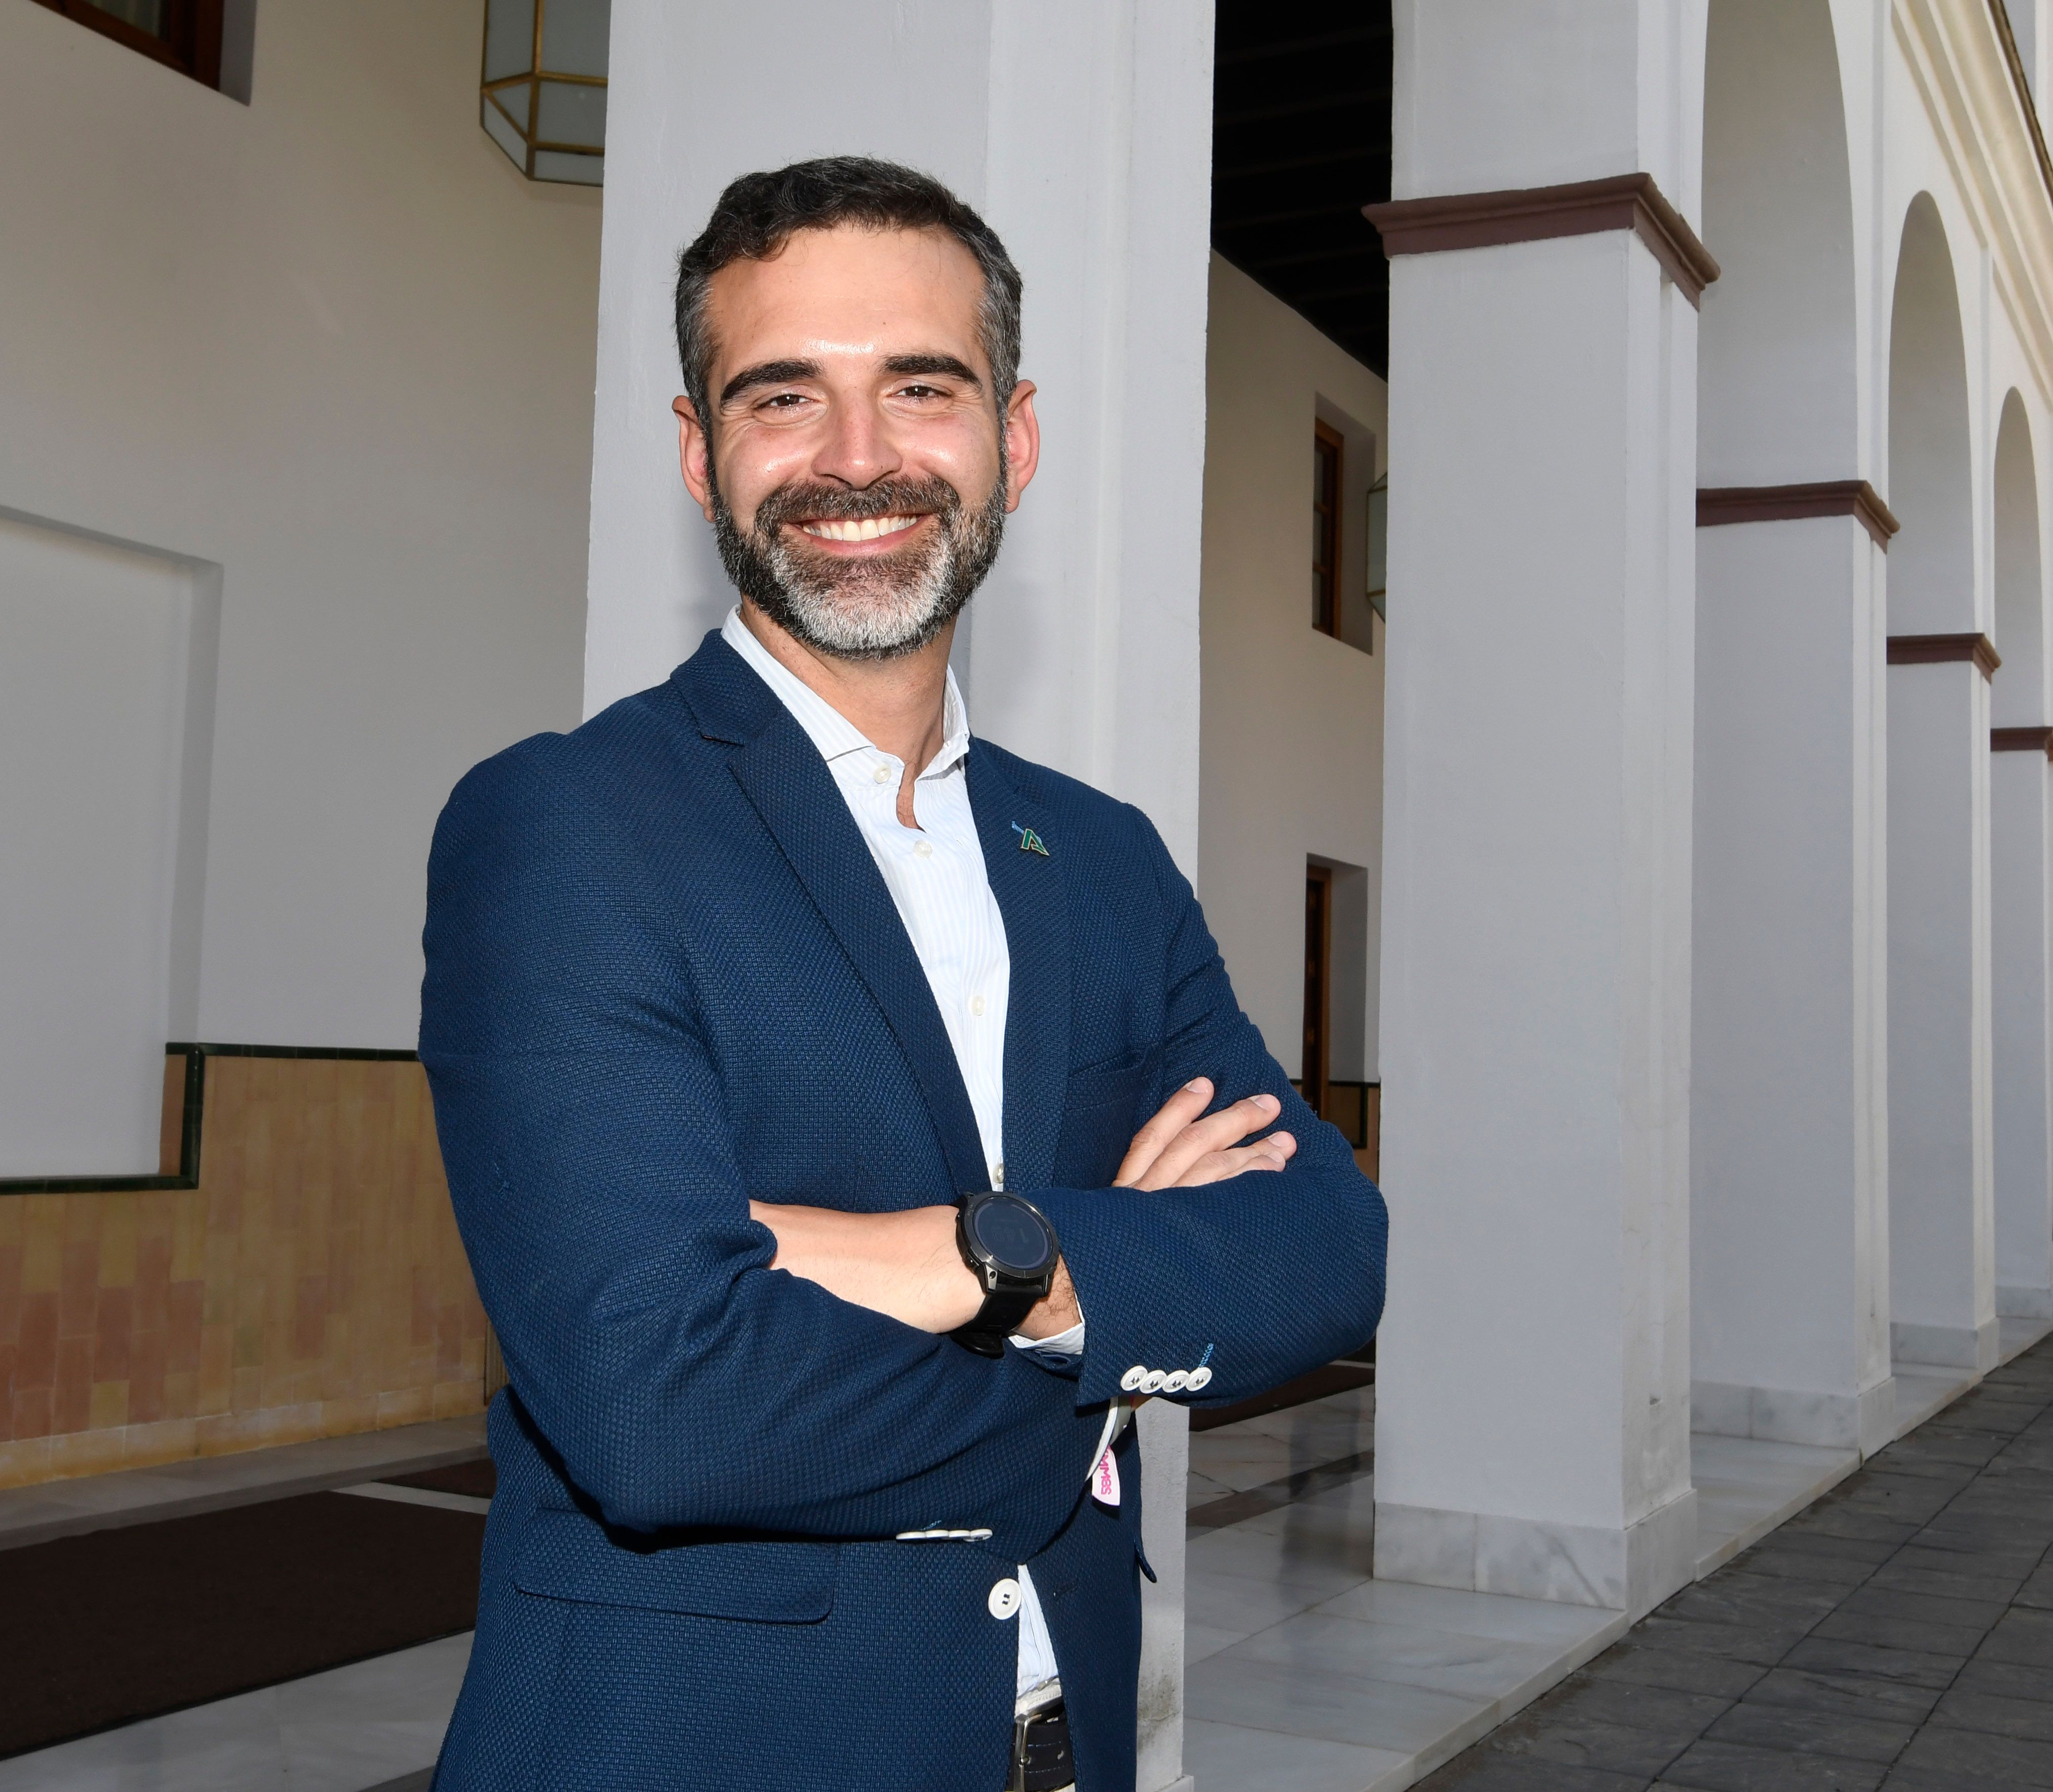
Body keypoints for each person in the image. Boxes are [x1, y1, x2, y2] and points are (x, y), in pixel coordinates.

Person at [420, 156, 1387, 1792]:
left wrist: (984, 1259)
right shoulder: (567, 824)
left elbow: (1327, 1245)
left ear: (1011, 438)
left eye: (918, 389)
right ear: (697, 452)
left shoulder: (1104, 858)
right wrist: (1101, 1337)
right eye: (782, 395)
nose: (855, 459)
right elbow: (660, 1403)